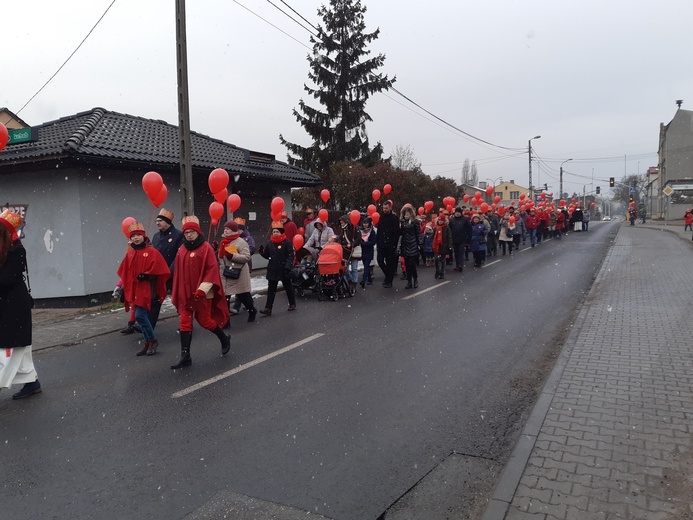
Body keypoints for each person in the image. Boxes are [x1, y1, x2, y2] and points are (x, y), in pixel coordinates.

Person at [170, 216, 230, 370]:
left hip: (202, 292)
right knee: (184, 321)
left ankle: (223, 337)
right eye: (186, 232)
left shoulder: (206, 248)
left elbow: (211, 270)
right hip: (186, 293)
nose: (189, 235)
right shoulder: (182, 249)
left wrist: (202, 289)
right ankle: (185, 355)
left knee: (204, 321)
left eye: (192, 232)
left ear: (197, 232)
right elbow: (177, 270)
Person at [0, 210, 41, 400]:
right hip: (7, 306)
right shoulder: (4, 250)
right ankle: (32, 383)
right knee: (18, 350)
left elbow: (6, 280)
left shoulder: (17, 251)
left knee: (10, 350)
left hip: (14, 307)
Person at [117, 222, 170, 356]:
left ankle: (152, 340)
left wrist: (148, 276)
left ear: (143, 236)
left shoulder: (152, 252)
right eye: (133, 236)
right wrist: (123, 288)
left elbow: (161, 270)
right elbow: (126, 273)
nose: (136, 238)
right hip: (135, 290)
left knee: (140, 315)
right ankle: (148, 342)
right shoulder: (130, 254)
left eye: (138, 235)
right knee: (141, 316)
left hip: (148, 290)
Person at [149, 208, 184, 327]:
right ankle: (149, 325)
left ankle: (185, 323)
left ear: (168, 222)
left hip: (174, 274)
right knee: (155, 300)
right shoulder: (156, 236)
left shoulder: (179, 235)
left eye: (160, 221)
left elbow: (179, 255)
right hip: (159, 275)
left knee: (179, 300)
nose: (157, 223)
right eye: (156, 221)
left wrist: (170, 271)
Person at [219, 220, 256, 324]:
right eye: (225, 229)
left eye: (228, 229)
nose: (226, 231)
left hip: (238, 273)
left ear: (234, 230)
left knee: (243, 295)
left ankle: (252, 311)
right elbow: (221, 258)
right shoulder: (223, 241)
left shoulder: (241, 242)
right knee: (225, 298)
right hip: (226, 273)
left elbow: (246, 257)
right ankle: (226, 322)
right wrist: (215, 251)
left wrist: (233, 256)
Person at [258, 221, 296, 316]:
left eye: (277, 232)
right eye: (274, 232)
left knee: (288, 287)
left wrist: (288, 266)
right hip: (273, 268)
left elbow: (290, 255)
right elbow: (267, 256)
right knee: (271, 289)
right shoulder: (270, 243)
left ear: (281, 232)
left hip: (284, 268)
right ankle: (268, 308)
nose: (275, 233)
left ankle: (292, 303)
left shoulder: (287, 242)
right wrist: (262, 252)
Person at [230, 218, 256, 316]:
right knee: (242, 287)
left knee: (242, 287)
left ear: (242, 230)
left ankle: (237, 307)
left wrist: (240, 253)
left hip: (245, 266)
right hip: (235, 265)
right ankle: (249, 304)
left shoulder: (248, 238)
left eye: (238, 230)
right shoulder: (234, 239)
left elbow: (252, 249)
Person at [376, 200, 400, 288]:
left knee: (390, 263)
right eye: (383, 208)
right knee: (380, 261)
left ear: (390, 208)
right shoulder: (381, 217)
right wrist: (378, 242)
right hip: (382, 244)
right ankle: (388, 276)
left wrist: (394, 245)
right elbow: (379, 231)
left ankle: (389, 280)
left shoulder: (394, 218)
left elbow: (396, 232)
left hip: (390, 245)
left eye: (386, 208)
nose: (385, 210)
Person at [398, 204, 421, 289]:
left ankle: (415, 279)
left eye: (408, 213)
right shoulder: (402, 222)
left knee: (412, 264)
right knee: (407, 265)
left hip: (413, 244)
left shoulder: (415, 221)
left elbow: (418, 233)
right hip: (405, 245)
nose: (406, 214)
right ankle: (409, 281)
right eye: (405, 213)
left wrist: (420, 244)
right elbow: (400, 233)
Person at [338, 215, 361, 290]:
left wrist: (352, 244)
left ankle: (354, 282)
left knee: (354, 268)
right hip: (346, 251)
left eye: (342, 223)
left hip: (353, 251)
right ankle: (349, 280)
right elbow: (340, 238)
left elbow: (359, 238)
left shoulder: (355, 228)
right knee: (345, 269)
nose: (341, 224)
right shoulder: (343, 230)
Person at [449, 207, 472, 272]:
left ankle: (460, 265)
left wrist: (468, 238)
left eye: (458, 212)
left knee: (461, 252)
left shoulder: (464, 220)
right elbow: (449, 229)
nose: (457, 213)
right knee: (456, 253)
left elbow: (469, 229)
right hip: (454, 239)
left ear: (461, 213)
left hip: (462, 239)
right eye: (456, 212)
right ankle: (457, 265)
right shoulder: (452, 220)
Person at [432, 213, 452, 279]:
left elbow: (449, 237)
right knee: (436, 259)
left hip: (444, 245)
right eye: (439, 220)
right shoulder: (435, 228)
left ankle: (442, 272)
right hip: (436, 246)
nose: (440, 221)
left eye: (441, 220)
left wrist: (449, 246)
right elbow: (433, 237)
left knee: (443, 260)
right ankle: (437, 270)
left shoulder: (446, 228)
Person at [358, 216, 377, 287]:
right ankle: (369, 279)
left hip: (369, 250)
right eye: (364, 223)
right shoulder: (361, 231)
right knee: (366, 266)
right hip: (362, 251)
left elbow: (373, 241)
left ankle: (363, 280)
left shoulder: (372, 231)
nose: (365, 225)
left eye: (366, 223)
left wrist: (365, 244)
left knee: (366, 266)